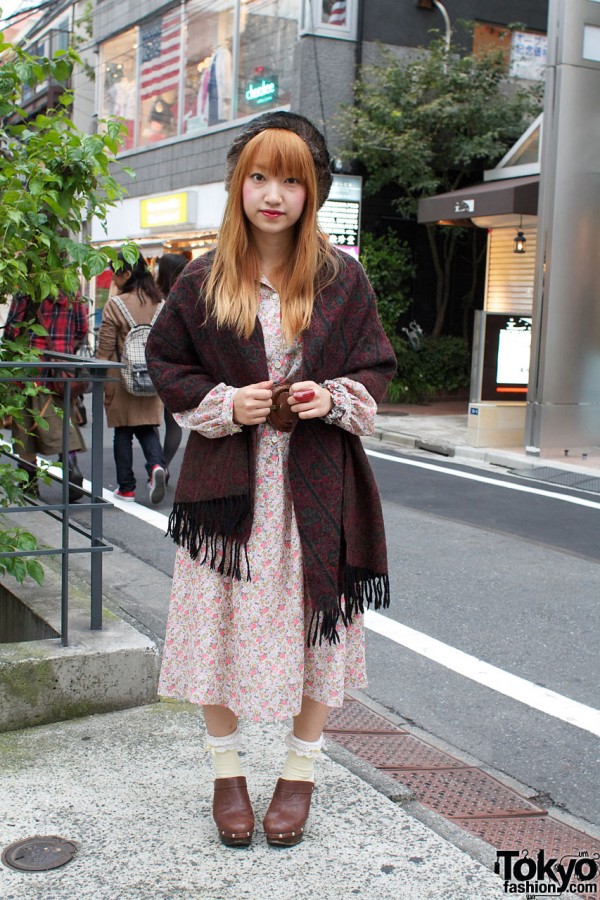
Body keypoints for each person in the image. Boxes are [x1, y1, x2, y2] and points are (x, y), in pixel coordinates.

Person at [145, 111, 396, 848]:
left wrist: (331, 396)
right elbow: (167, 366)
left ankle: (299, 773)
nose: (274, 193)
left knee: (317, 625)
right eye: (260, 176)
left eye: (291, 178)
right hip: (227, 494)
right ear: (239, 185)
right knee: (212, 627)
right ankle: (227, 773)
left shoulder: (341, 278)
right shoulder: (203, 277)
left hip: (316, 485)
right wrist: (227, 403)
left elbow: (375, 366)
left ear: (311, 190)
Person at [4, 290, 88, 502]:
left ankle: (29, 484)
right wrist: (65, 347)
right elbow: (82, 329)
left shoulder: (26, 291)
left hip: (30, 370)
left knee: (26, 431)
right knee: (64, 422)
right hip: (61, 371)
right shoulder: (71, 292)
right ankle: (70, 468)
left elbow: (11, 332)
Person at [96, 252, 166, 504]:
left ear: (126, 273)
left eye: (115, 272)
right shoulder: (161, 304)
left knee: (123, 432)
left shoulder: (116, 304)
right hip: (152, 376)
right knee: (148, 427)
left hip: (121, 377)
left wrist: (100, 376)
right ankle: (156, 466)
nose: (112, 278)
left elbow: (104, 349)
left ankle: (126, 488)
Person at [154, 253, 189, 478]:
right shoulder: (190, 296)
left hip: (159, 365)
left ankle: (156, 466)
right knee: (173, 422)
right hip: (183, 367)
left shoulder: (159, 301)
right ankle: (163, 465)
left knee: (149, 422)